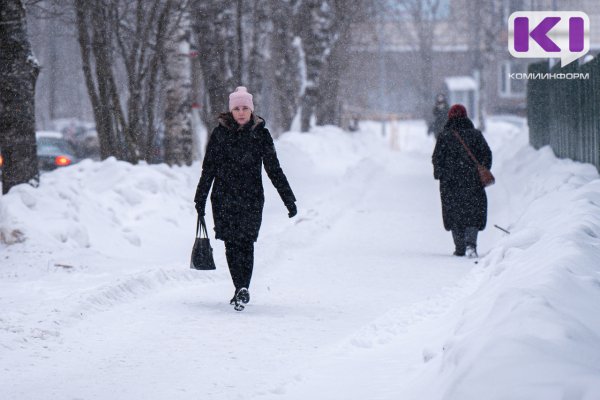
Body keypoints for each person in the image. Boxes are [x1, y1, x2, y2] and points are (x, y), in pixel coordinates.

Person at [194, 86, 297, 310]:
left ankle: (243, 288)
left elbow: (274, 169)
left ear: (252, 110)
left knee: (246, 242)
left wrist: (288, 199)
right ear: (231, 111)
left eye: (245, 108)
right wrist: (200, 198)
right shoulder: (220, 134)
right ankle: (240, 287)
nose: (241, 112)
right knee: (232, 244)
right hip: (223, 198)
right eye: (237, 108)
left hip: (251, 198)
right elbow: (208, 168)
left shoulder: (260, 134)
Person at [432, 104, 492, 258]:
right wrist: (481, 170)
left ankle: (459, 247)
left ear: (450, 117)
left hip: (450, 183)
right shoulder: (476, 135)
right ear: (465, 116)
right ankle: (471, 245)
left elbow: (436, 159)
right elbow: (487, 155)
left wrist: (442, 173)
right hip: (472, 181)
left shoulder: (444, 136)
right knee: (473, 212)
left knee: (454, 213)